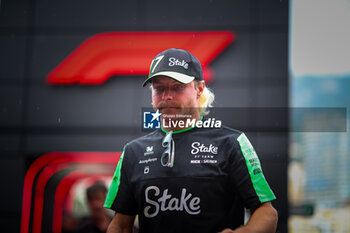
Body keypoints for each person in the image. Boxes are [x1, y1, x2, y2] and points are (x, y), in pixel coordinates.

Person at [104, 48, 278, 233]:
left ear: (199, 89)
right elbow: (121, 225)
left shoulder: (232, 143)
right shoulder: (133, 151)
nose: (167, 96)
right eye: (159, 88)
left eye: (177, 87)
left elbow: (267, 213)